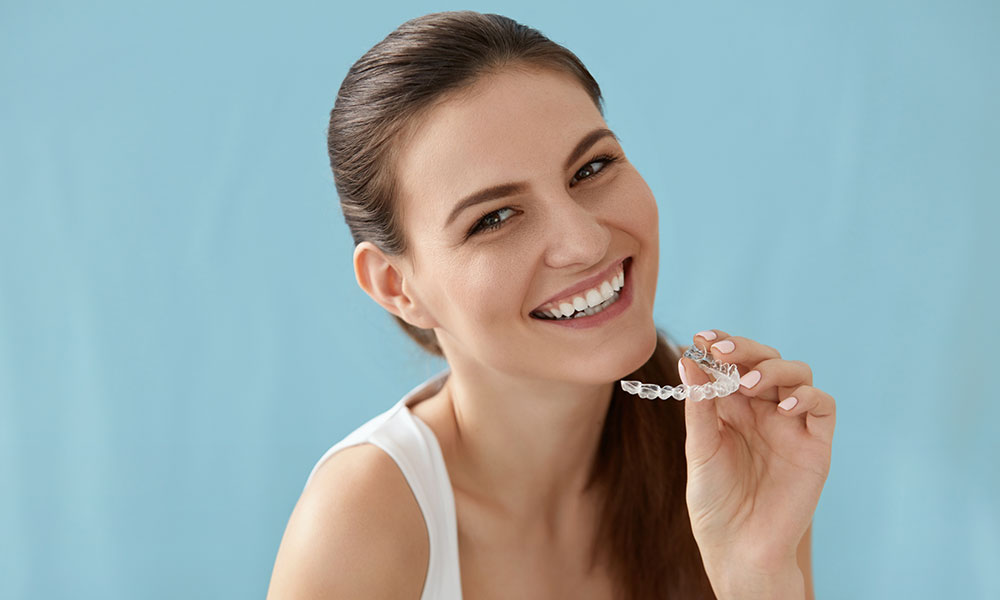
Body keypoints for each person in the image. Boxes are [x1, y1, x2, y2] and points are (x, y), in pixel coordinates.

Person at [267, 10, 835, 600]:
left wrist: (758, 576)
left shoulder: (729, 458)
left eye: (592, 167)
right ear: (395, 286)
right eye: (494, 218)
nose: (586, 241)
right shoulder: (363, 520)